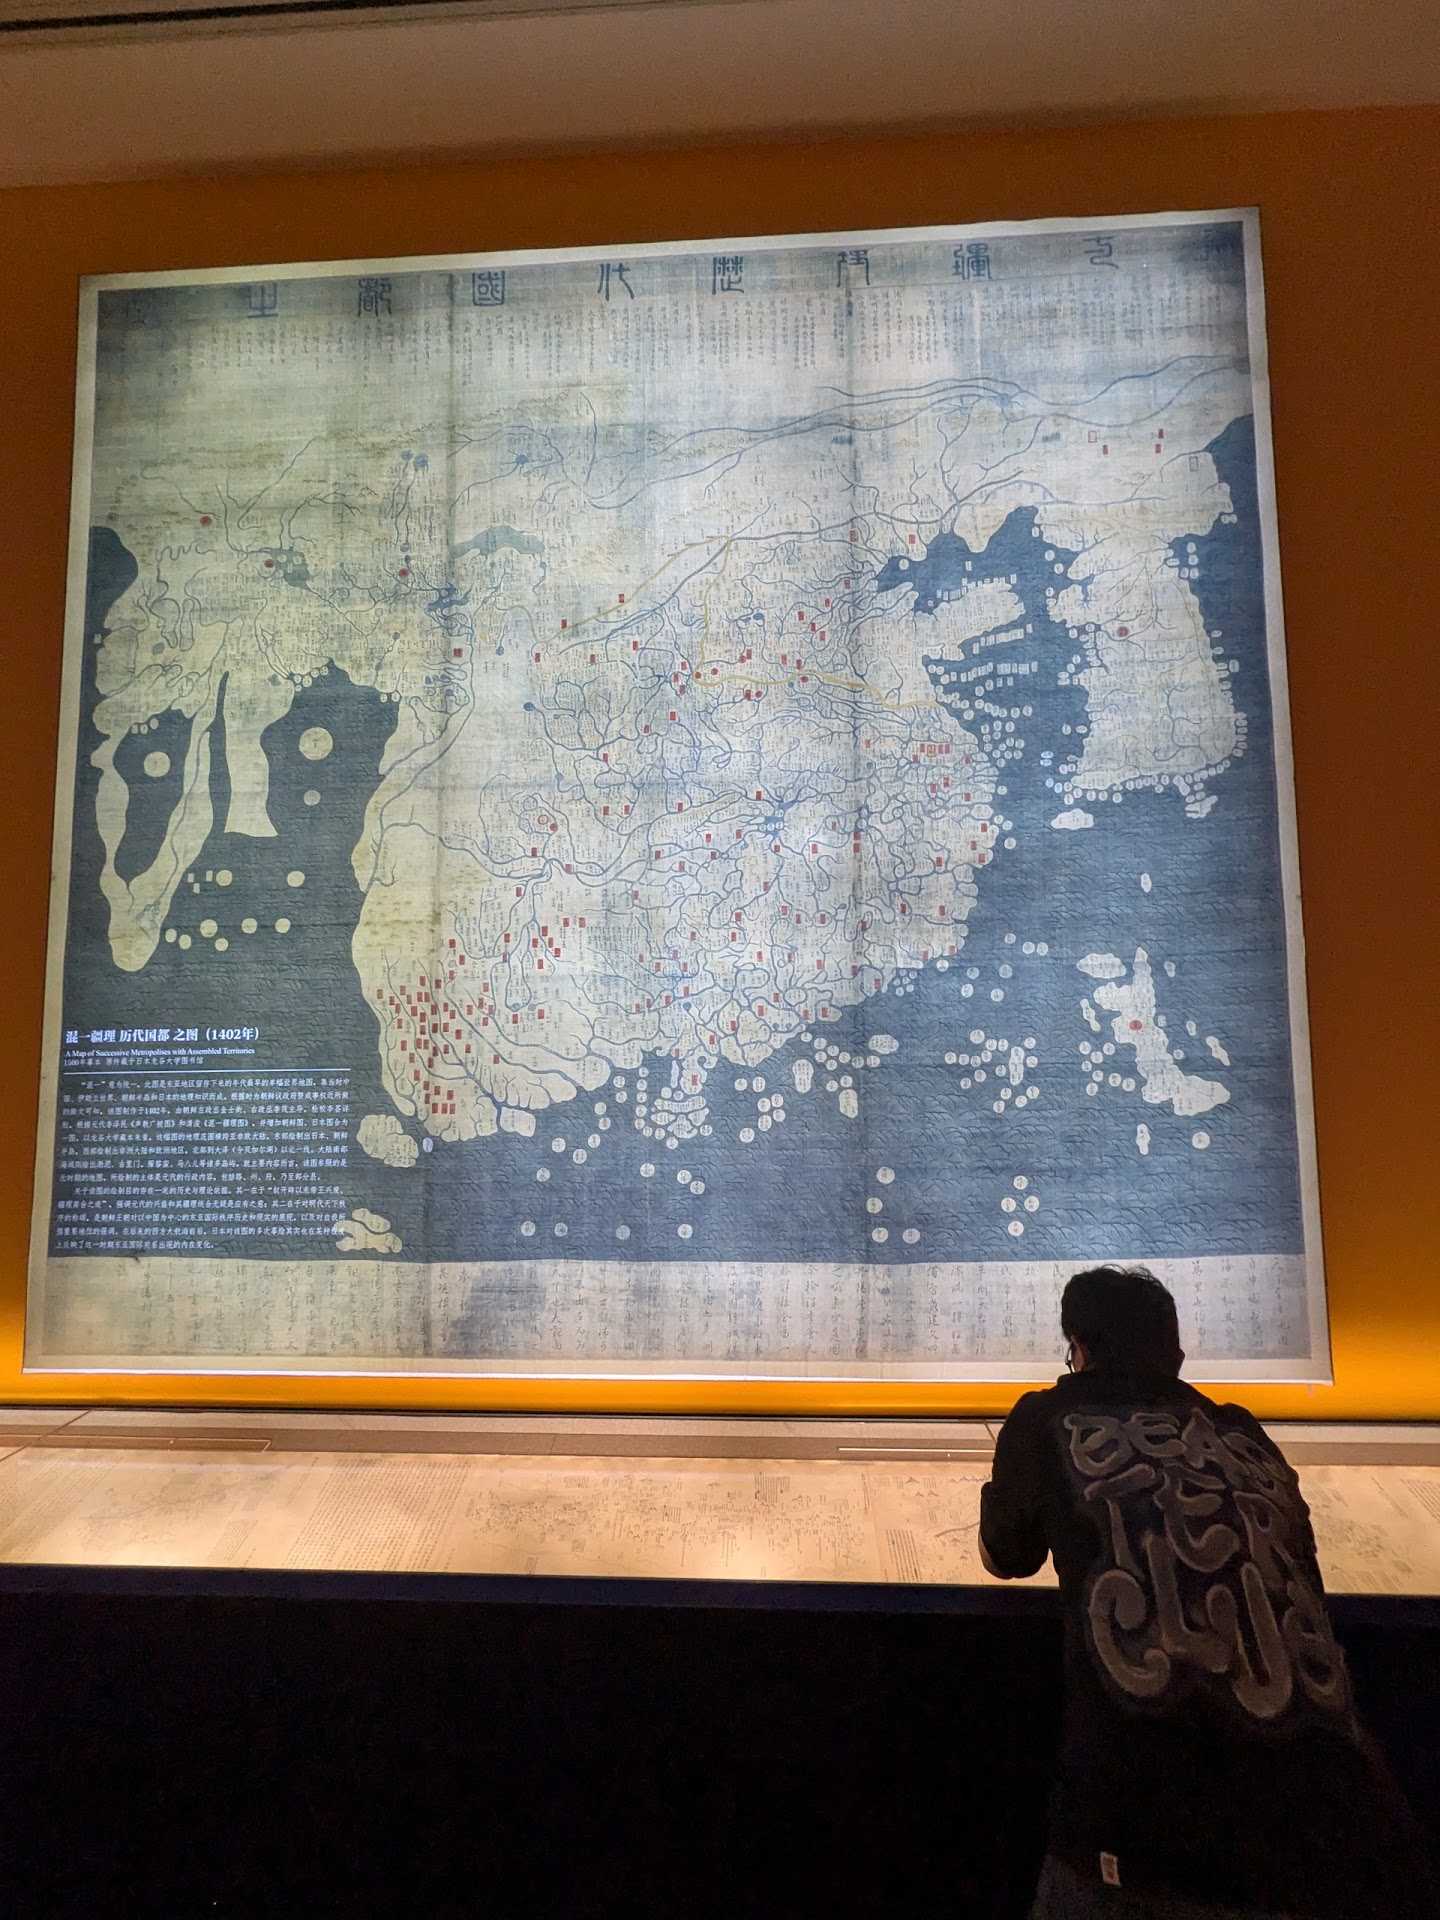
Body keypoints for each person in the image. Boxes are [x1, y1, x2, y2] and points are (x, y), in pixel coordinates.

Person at [979, 1263, 1436, 1920]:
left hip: (1146, 1839)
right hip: (1350, 1828)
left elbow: (1006, 1554)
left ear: (1078, 1349)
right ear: (1177, 1357)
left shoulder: (1048, 1415)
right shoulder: (1245, 1435)